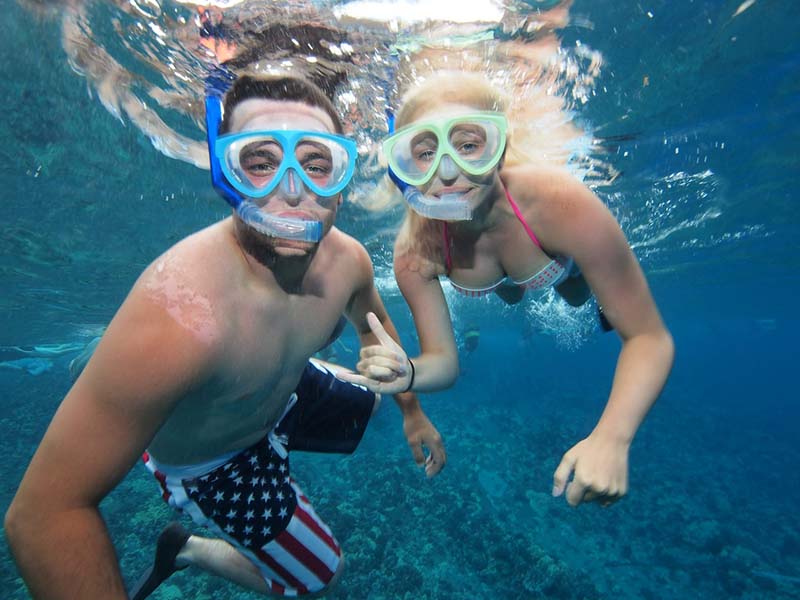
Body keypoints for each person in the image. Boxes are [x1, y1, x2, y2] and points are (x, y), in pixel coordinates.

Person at [4, 73, 445, 600]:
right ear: (225, 175)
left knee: (372, 402)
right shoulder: (180, 316)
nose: (291, 190)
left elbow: (378, 334)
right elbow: (43, 515)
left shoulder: (348, 262)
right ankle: (185, 547)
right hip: (214, 465)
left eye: (316, 164)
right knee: (323, 576)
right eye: (259, 163)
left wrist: (412, 410)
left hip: (279, 391)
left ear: (342, 183)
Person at [340, 71, 673, 509]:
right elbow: (444, 363)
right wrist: (411, 373)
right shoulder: (415, 250)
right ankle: (511, 285)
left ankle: (590, 292)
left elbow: (649, 337)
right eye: (424, 152)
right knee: (510, 289)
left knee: (575, 293)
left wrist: (612, 438)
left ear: (499, 148)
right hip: (500, 278)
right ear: (404, 165)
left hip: (556, 263)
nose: (448, 171)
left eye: (468, 145)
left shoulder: (561, 203)